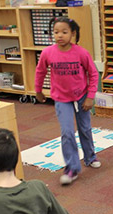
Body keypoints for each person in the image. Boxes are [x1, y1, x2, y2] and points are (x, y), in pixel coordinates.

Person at [35, 16, 100, 185]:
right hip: (61, 98)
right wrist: (38, 90)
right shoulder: (47, 53)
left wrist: (90, 96)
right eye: (56, 32)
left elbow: (93, 74)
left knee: (85, 129)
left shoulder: (81, 53)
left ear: (72, 33)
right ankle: (72, 167)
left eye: (64, 32)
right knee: (67, 132)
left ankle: (90, 156)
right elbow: (40, 72)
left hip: (81, 97)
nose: (60, 35)